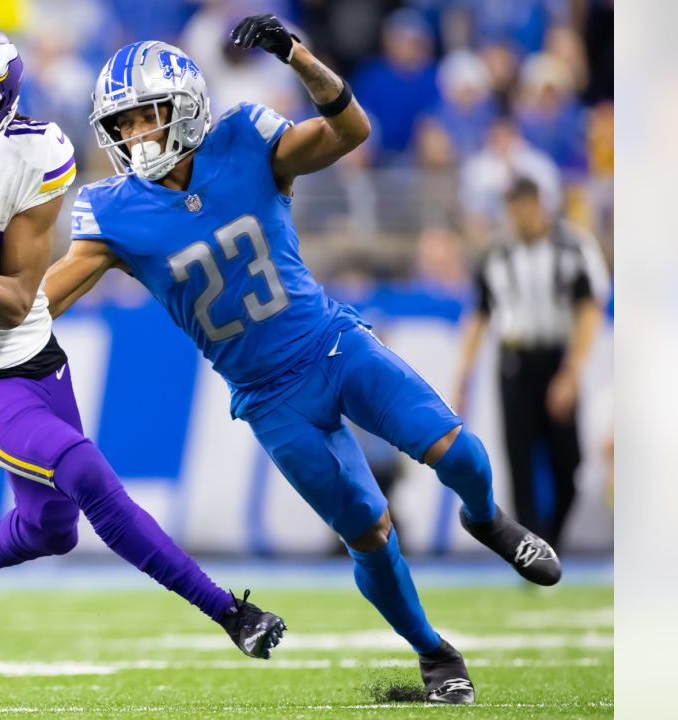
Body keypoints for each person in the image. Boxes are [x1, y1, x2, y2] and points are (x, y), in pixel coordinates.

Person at [43, 16, 564, 705]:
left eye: (148, 116)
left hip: (331, 345)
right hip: (267, 397)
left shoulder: (243, 138)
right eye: (125, 123)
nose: (137, 135)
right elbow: (49, 295)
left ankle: (485, 517)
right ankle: (434, 654)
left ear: (187, 106)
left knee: (457, 452)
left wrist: (298, 56)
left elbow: (351, 132)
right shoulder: (113, 211)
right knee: (367, 530)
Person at [0, 17, 284, 663]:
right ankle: (228, 611)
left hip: (32, 351)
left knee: (53, 530)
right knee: (83, 470)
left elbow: (17, 303)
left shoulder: (35, 153)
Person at [454, 177, 609, 551]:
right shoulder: (496, 252)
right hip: (514, 360)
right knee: (518, 459)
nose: (516, 216)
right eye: (510, 208)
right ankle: (531, 551)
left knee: (567, 461)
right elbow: (477, 315)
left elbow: (589, 309)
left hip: (557, 357)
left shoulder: (572, 246)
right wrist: (463, 374)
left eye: (521, 207)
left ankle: (553, 536)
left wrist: (571, 371)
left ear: (538, 204)